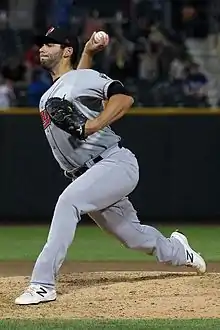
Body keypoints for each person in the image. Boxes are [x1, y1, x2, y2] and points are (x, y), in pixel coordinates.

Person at [15, 26, 206, 305]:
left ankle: (43, 284)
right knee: (134, 237)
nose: (42, 48)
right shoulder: (54, 92)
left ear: (67, 50)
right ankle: (179, 250)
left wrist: (93, 125)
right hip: (90, 174)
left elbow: (123, 98)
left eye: (50, 44)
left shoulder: (82, 79)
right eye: (41, 44)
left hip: (114, 163)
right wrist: (89, 53)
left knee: (68, 202)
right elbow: (75, 84)